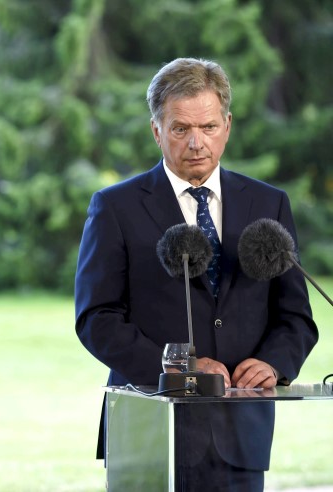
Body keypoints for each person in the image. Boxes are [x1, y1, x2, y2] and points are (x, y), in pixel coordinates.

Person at [74, 58, 317, 490]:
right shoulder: (115, 207)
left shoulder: (268, 203)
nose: (196, 143)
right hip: (150, 431)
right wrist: (180, 369)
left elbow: (295, 315)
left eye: (207, 127)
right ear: (157, 130)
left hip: (241, 435)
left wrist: (275, 364)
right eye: (180, 128)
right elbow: (97, 319)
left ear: (227, 125)